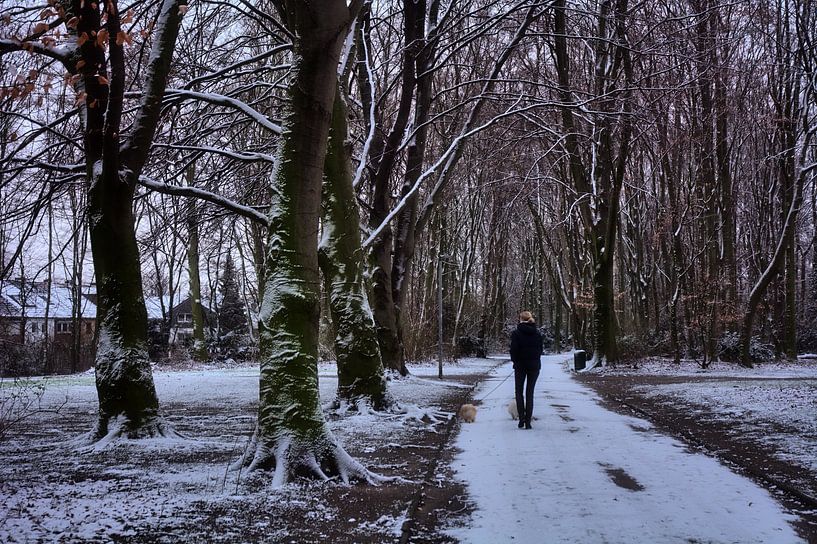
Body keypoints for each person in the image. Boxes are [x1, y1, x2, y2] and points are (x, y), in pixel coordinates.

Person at [510, 310, 543, 429]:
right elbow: (540, 350)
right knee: (530, 393)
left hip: (520, 366)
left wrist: (515, 361)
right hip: (534, 366)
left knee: (519, 392)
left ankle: (521, 420)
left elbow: (513, 350)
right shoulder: (537, 333)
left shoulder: (516, 333)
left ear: (520, 319)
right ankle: (528, 422)